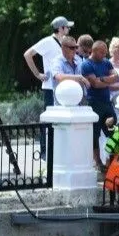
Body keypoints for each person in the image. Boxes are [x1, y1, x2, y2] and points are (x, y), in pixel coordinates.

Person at [23, 15, 73, 159]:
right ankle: (45, 150)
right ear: (61, 28)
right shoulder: (47, 41)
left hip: (63, 88)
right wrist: (38, 74)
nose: (68, 29)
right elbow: (28, 54)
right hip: (51, 87)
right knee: (49, 119)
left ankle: (57, 149)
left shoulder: (65, 43)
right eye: (67, 27)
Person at [80, 40, 119, 171]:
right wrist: (107, 80)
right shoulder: (86, 65)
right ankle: (98, 162)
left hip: (106, 102)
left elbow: (116, 76)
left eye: (105, 52)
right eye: (102, 52)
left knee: (114, 130)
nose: (105, 54)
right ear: (94, 51)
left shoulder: (106, 62)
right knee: (95, 133)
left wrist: (102, 79)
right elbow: (94, 84)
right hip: (94, 103)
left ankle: (113, 159)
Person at [50, 36, 90, 104]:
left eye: (76, 47)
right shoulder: (57, 61)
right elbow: (59, 77)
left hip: (81, 104)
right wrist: (79, 77)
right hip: (63, 105)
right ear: (63, 48)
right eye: (72, 48)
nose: (75, 50)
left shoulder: (79, 60)